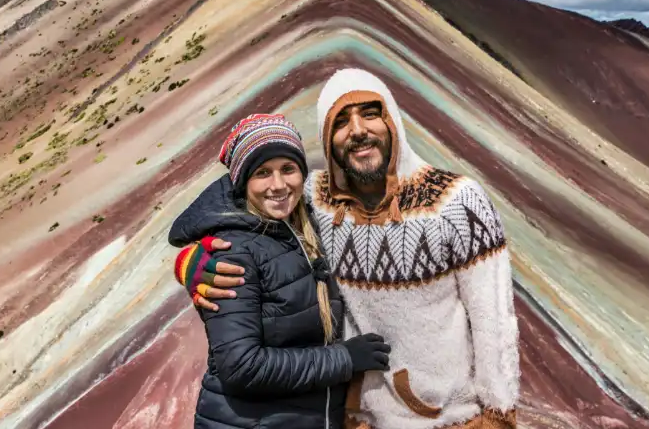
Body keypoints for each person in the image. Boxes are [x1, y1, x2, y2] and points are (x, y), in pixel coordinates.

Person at [173, 69, 521, 429]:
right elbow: (241, 209)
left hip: (446, 419)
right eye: (340, 121)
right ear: (327, 139)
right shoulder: (314, 201)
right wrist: (191, 262)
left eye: (370, 113)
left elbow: (493, 318)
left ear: (392, 121)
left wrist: (499, 413)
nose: (357, 130)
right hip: (352, 419)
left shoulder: (456, 202)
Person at [168, 112, 393, 429]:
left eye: (288, 169)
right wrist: (344, 358)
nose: (278, 185)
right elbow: (242, 366)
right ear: (243, 181)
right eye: (262, 172)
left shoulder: (306, 227)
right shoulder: (231, 253)